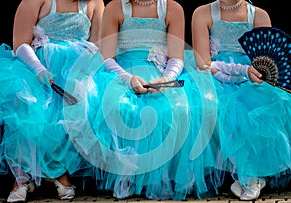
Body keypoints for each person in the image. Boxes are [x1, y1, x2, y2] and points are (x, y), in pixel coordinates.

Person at [68, 0, 220, 200]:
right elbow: (107, 57)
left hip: (160, 73)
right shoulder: (116, 7)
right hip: (121, 74)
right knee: (117, 107)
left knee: (175, 110)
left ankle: (162, 177)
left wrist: (165, 80)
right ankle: (127, 175)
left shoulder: (172, 8)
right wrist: (128, 78)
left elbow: (176, 57)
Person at [0, 0, 104, 202]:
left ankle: (56, 169)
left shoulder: (95, 3)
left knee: (79, 105)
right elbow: (20, 43)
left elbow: (98, 45)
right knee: (27, 104)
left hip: (77, 69)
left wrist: (83, 75)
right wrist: (38, 69)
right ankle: (22, 176)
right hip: (37, 68)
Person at [191, 0, 291, 200]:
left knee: (265, 104)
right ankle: (248, 176)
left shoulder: (259, 15)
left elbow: (266, 63)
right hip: (216, 77)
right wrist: (238, 73)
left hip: (252, 80)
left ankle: (253, 175)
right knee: (218, 106)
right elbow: (203, 64)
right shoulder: (203, 13)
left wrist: (253, 75)